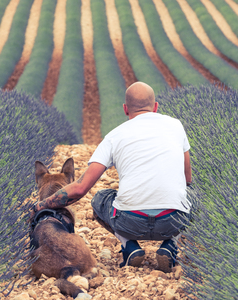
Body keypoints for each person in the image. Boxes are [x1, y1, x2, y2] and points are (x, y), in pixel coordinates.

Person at [31, 81, 192, 273]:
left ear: (125, 109)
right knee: (191, 193)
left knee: (100, 199)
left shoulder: (115, 136)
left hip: (130, 221)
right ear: (156, 107)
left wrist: (41, 205)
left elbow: (81, 187)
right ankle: (170, 244)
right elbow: (187, 178)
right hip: (172, 221)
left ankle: (130, 245)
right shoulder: (176, 126)